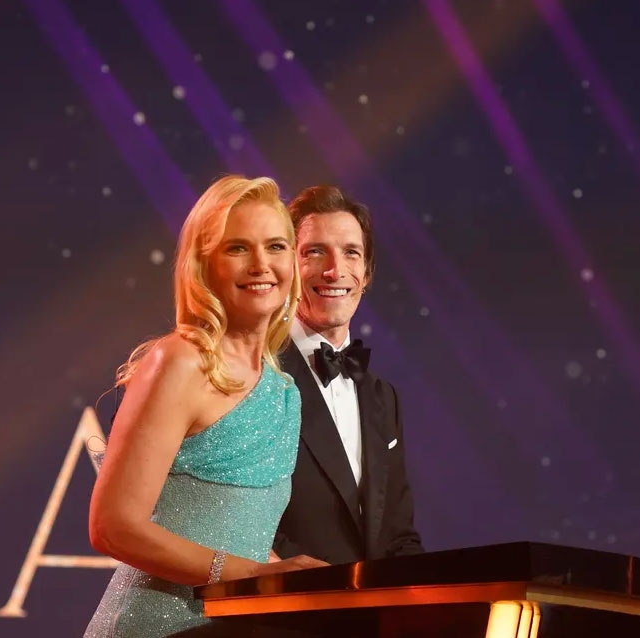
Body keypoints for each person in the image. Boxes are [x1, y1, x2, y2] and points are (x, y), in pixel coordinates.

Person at [84, 175, 327, 638]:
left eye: (276, 247)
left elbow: (239, 534)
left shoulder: (284, 393)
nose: (261, 265)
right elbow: (112, 526)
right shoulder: (180, 361)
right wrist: (253, 575)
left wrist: (292, 578)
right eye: (238, 248)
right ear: (204, 265)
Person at [273, 185, 424, 566]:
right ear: (287, 267)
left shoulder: (383, 397)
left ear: (366, 273)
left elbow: (398, 536)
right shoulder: (258, 373)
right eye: (315, 252)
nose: (335, 271)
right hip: (279, 600)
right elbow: (235, 520)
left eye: (351, 253)